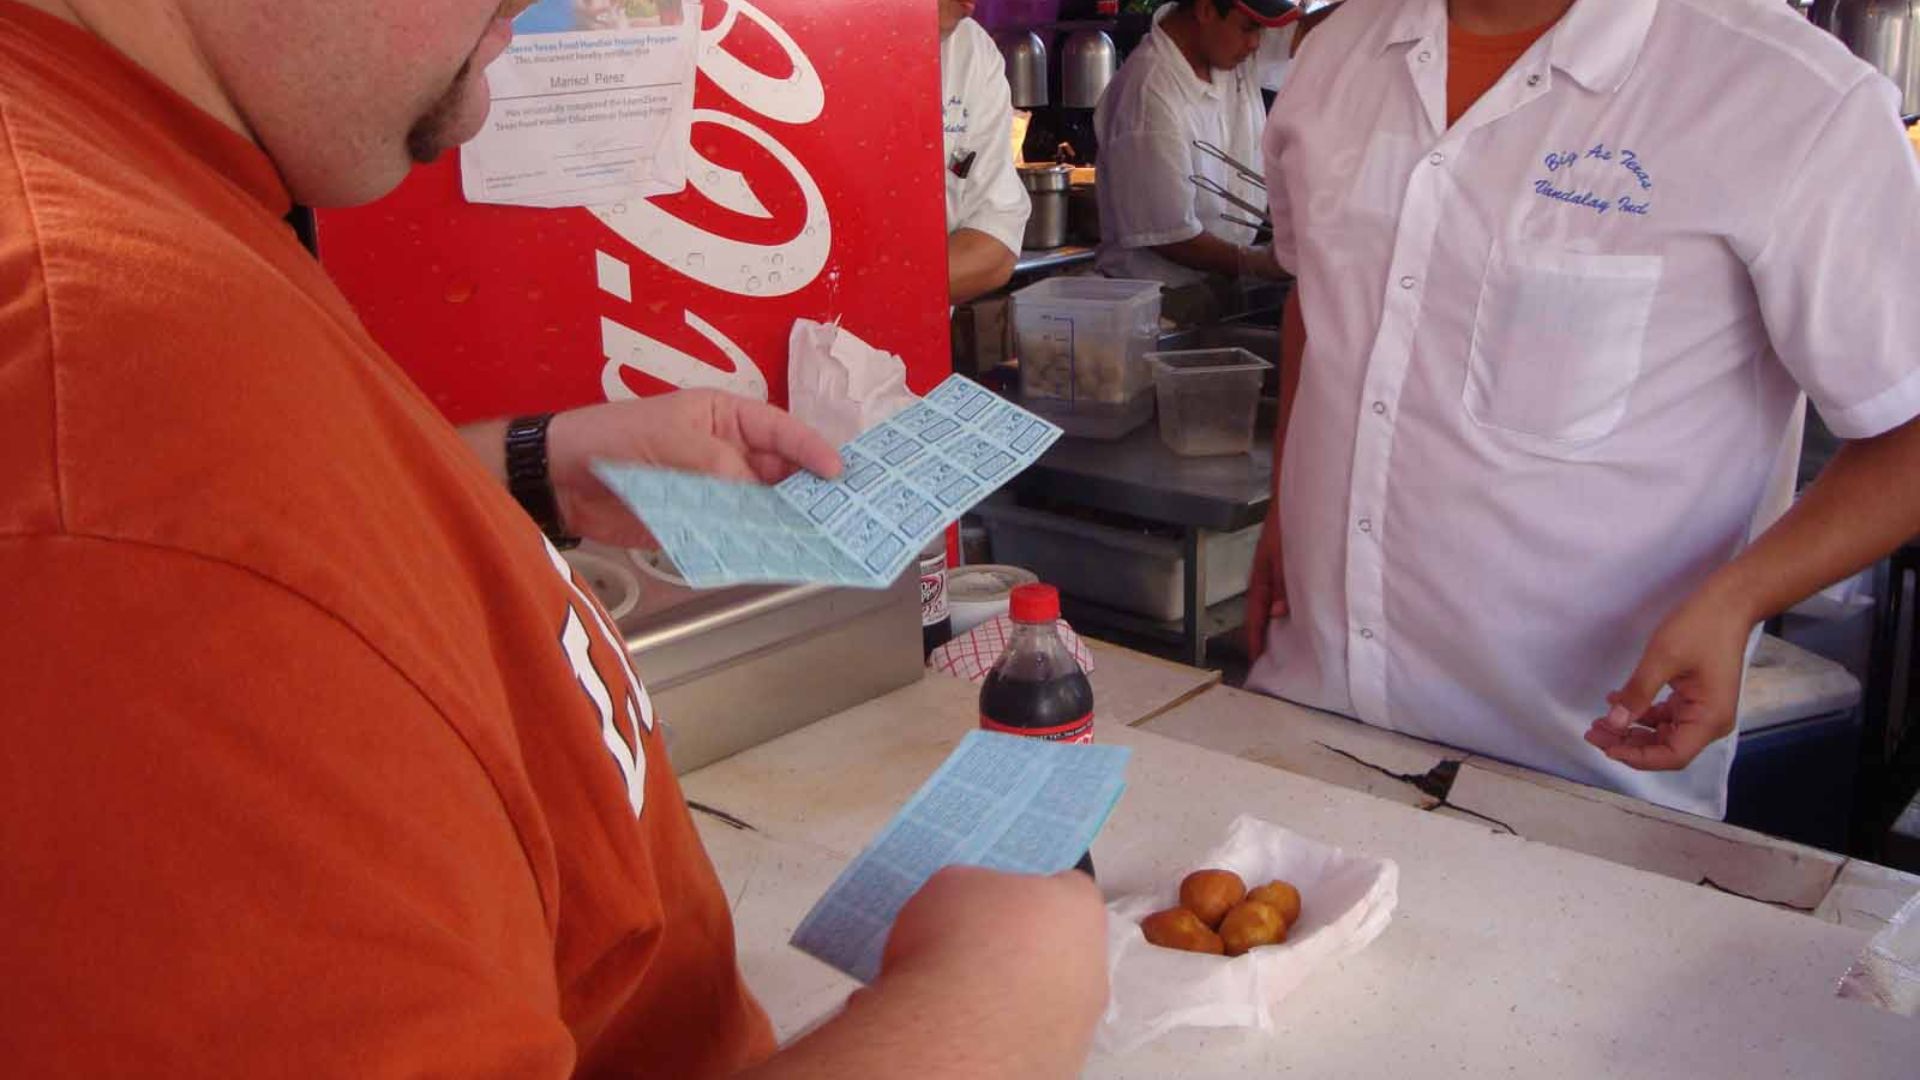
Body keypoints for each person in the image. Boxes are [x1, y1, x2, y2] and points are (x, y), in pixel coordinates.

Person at [0, 1, 1108, 1075]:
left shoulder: (131, 176)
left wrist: (522, 469)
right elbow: (189, 543)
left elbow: (285, 528)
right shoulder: (111, 447)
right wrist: (984, 1017)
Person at [1245, 0, 1920, 818]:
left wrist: (1745, 595)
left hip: (1583, 780)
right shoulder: (1336, 54)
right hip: (1301, 726)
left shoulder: (1792, 98)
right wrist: (1289, 503)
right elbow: (1317, 298)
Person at [1093, 0, 1297, 291]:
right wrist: (1255, 262)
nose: (1255, 43)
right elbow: (1170, 236)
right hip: (1159, 301)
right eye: (1249, 28)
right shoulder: (1148, 92)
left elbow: (1308, 33)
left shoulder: (1227, 51)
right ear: (1205, 10)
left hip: (1218, 285)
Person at [942, 0, 1032, 304]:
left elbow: (996, 241)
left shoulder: (973, 51)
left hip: (915, 340)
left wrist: (874, 298)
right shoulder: (799, 32)